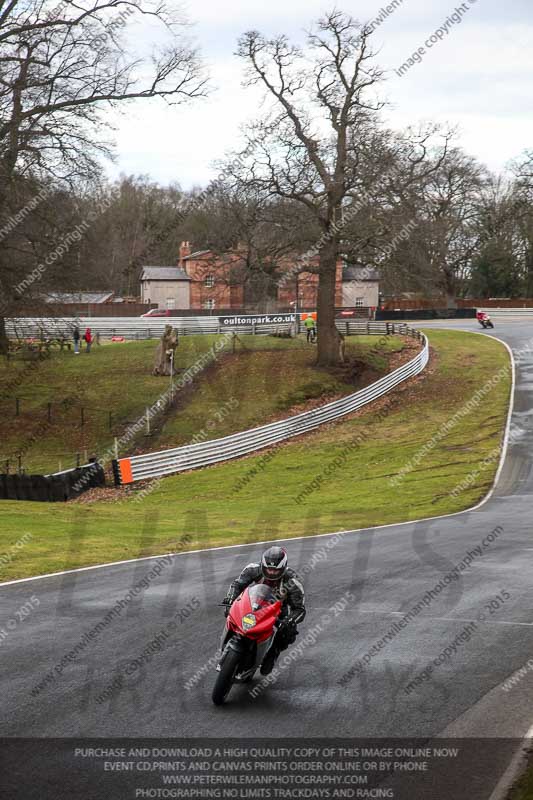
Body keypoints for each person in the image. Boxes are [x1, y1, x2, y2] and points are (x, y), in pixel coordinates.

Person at [223, 546, 306, 675]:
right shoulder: (252, 569)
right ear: (262, 564)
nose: (271, 572)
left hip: (277, 610)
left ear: (283, 568)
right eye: (268, 569)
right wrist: (230, 598)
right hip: (252, 603)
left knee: (288, 631)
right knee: (229, 611)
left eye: (275, 570)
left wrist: (289, 620)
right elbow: (237, 584)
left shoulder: (293, 581)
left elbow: (299, 609)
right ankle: (228, 639)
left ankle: (272, 653)